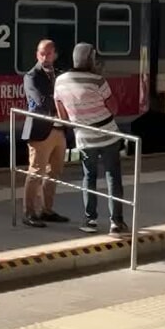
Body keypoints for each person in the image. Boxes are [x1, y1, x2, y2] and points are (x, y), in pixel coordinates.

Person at [54, 42, 130, 235]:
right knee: (113, 177)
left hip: (83, 138)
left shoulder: (60, 82)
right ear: (89, 59)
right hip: (108, 135)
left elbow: (63, 117)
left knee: (89, 178)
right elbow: (113, 109)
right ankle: (116, 222)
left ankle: (90, 220)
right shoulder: (98, 81)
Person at [20, 39, 70, 228]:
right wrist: (61, 103)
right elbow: (40, 101)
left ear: (55, 55)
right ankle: (29, 212)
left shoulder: (60, 75)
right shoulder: (31, 76)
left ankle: (46, 210)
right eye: (42, 53)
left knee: (54, 172)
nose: (45, 57)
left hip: (59, 130)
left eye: (48, 53)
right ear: (37, 54)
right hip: (40, 131)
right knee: (35, 172)